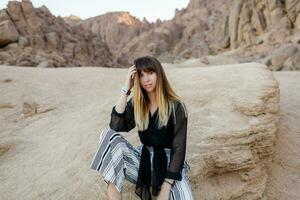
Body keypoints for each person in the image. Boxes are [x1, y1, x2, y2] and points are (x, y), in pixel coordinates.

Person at [90, 56, 194, 200]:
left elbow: (179, 150)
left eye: (150, 73)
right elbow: (116, 125)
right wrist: (126, 89)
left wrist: (166, 187)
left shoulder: (176, 106)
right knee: (107, 135)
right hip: (143, 163)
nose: (146, 79)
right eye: (141, 75)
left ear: (159, 74)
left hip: (169, 165)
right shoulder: (138, 104)